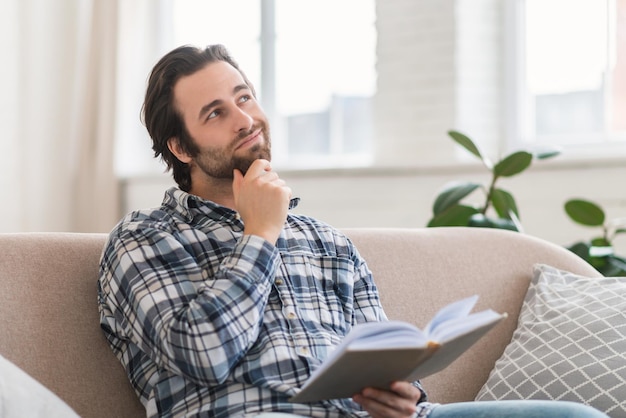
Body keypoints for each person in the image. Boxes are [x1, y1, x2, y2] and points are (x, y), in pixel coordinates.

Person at [97, 44, 609, 418]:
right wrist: (260, 235)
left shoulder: (327, 242)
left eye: (244, 97)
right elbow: (202, 355)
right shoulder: (143, 239)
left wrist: (402, 397)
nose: (245, 119)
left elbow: (379, 354)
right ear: (181, 149)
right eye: (216, 113)